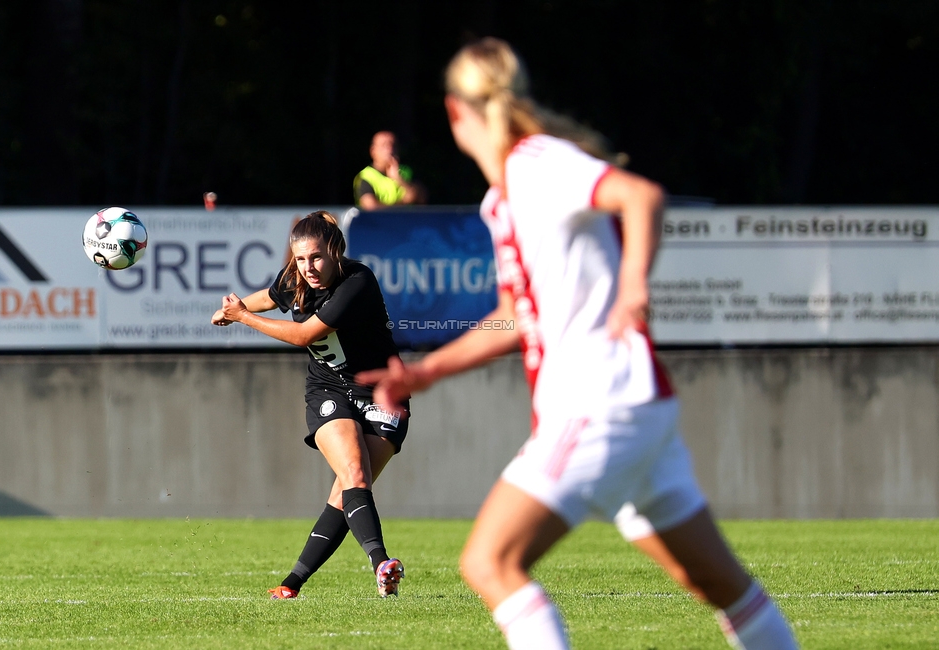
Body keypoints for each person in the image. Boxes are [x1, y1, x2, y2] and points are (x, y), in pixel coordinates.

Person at [357, 38, 797, 649]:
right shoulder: (501, 197)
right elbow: (514, 315)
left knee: (490, 563)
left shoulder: (537, 162)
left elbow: (640, 196)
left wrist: (633, 288)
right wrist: (428, 373)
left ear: (457, 112)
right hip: (638, 408)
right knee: (724, 588)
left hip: (596, 404)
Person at [211, 210, 407, 599]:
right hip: (328, 389)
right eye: (300, 259)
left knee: (346, 492)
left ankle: (291, 583)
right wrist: (230, 313)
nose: (308, 268)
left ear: (334, 251)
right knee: (353, 471)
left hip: (383, 393)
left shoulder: (357, 281)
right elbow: (269, 297)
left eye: (315, 257)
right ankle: (383, 565)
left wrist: (243, 318)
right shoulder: (297, 278)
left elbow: (303, 335)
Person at [353, 131, 425, 209]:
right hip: (378, 221)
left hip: (408, 221)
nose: (390, 149)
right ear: (373, 151)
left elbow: (422, 198)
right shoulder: (365, 176)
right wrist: (404, 203)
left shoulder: (407, 171)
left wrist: (400, 180)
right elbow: (371, 208)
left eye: (393, 145)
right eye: (384, 145)